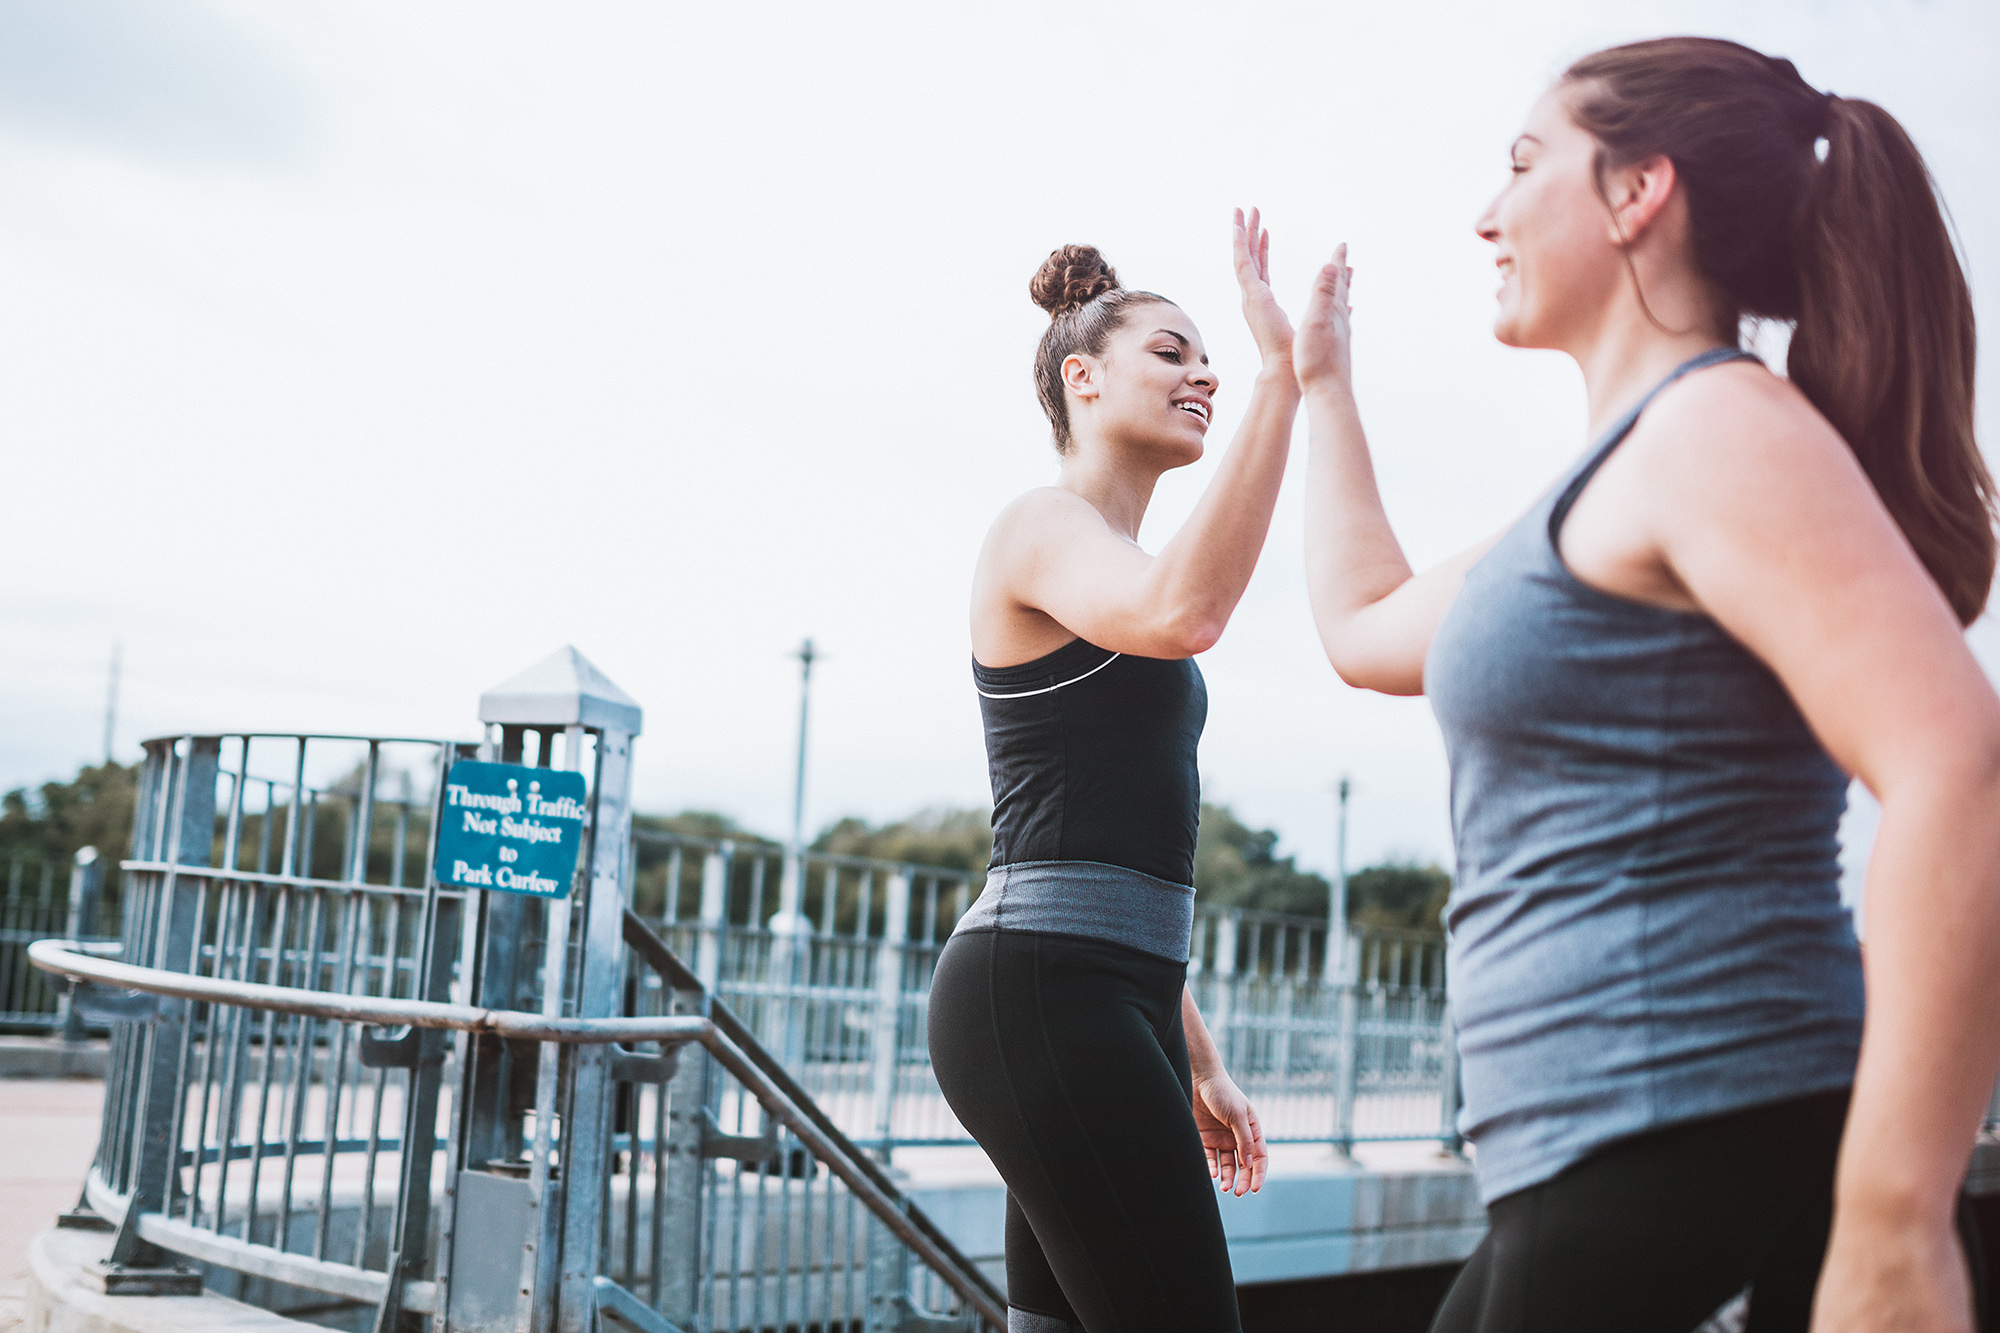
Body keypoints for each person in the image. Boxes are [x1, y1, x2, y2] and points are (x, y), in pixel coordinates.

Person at [1291, 37, 2000, 1333]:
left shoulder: (1720, 433)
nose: (1485, 212)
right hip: (1590, 1168)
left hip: (1714, 1140)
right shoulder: (1613, 482)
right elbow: (1367, 626)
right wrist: (1322, 388)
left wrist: (1895, 1225)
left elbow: (1961, 765)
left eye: (1522, 164)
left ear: (1638, 194)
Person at [927, 214, 1295, 1333]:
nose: (1205, 373)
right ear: (1080, 379)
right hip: (1041, 990)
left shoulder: (1118, 571)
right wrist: (1287, 376)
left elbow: (1113, 838)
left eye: (1208, 358)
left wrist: (1194, 1054)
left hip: (1105, 995)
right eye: (1171, 352)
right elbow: (1190, 611)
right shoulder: (1039, 528)